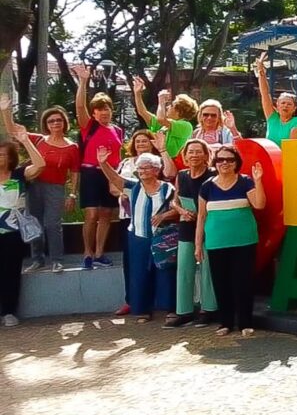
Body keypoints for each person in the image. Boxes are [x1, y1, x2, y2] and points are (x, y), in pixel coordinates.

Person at [96, 146, 178, 324]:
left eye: (146, 167)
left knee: (166, 271)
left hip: (162, 237)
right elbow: (115, 179)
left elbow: (177, 208)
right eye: (139, 168)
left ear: (156, 170)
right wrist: (103, 163)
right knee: (139, 272)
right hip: (138, 237)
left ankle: (170, 308)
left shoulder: (167, 188)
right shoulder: (132, 187)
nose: (141, 171)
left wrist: (164, 215)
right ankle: (142, 309)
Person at [0, 98, 79, 273]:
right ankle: (37, 259)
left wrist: (72, 194)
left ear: (64, 122)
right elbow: (14, 130)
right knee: (34, 222)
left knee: (52, 224)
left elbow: (74, 171)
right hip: (34, 185)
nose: (55, 123)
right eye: (51, 121)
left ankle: (57, 260)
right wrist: (5, 111)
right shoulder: (39, 140)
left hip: (56, 188)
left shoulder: (72, 147)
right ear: (46, 124)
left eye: (58, 120)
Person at [196, 145, 266, 337]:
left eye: (229, 160)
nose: (224, 163)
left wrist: (258, 181)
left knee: (243, 282)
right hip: (216, 241)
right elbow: (201, 217)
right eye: (220, 160)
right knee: (221, 282)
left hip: (244, 241)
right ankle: (225, 322)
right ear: (215, 163)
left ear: (236, 163)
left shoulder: (245, 182)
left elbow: (259, 204)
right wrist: (197, 245)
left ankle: (245, 323)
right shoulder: (207, 186)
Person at [71, 64, 124, 270]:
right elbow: (79, 108)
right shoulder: (89, 126)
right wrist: (83, 81)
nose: (104, 112)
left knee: (107, 215)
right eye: (100, 109)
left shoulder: (117, 130)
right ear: (94, 113)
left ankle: (100, 253)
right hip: (91, 172)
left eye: (107, 108)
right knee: (91, 214)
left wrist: (117, 178)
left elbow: (119, 155)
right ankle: (87, 252)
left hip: (110, 174)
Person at [166, 139, 218, 328]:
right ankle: (184, 311)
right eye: (191, 152)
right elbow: (174, 200)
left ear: (206, 155)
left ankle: (208, 309)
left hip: (209, 224)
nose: (194, 155)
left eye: (198, 152)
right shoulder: (181, 175)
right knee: (184, 267)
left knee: (207, 267)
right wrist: (182, 212)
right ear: (185, 156)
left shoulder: (213, 174)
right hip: (186, 225)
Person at [0, 125, 47, 327]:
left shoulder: (19, 175)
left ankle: (9, 312)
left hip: (12, 233)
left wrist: (26, 140)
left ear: (10, 157)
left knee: (10, 272)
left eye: (3, 154)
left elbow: (40, 165)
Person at [109, 130, 159, 316]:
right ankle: (132, 300)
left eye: (144, 141)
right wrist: (122, 192)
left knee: (157, 260)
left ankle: (156, 300)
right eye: (137, 141)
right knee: (131, 262)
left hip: (154, 218)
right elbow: (113, 186)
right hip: (130, 218)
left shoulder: (157, 163)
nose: (140, 144)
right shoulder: (125, 163)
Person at [131, 77, 197, 159]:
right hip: (158, 161)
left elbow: (161, 119)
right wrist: (137, 93)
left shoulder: (186, 125)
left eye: (171, 105)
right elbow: (142, 112)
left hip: (173, 163)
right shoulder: (164, 125)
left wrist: (161, 102)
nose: (168, 107)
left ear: (179, 111)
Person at [255, 52, 297, 145]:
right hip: (270, 157)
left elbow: (292, 146)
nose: (285, 106)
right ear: (277, 106)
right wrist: (261, 71)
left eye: (289, 104)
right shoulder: (272, 118)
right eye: (283, 103)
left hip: (286, 157)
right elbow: (265, 94)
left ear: (294, 108)